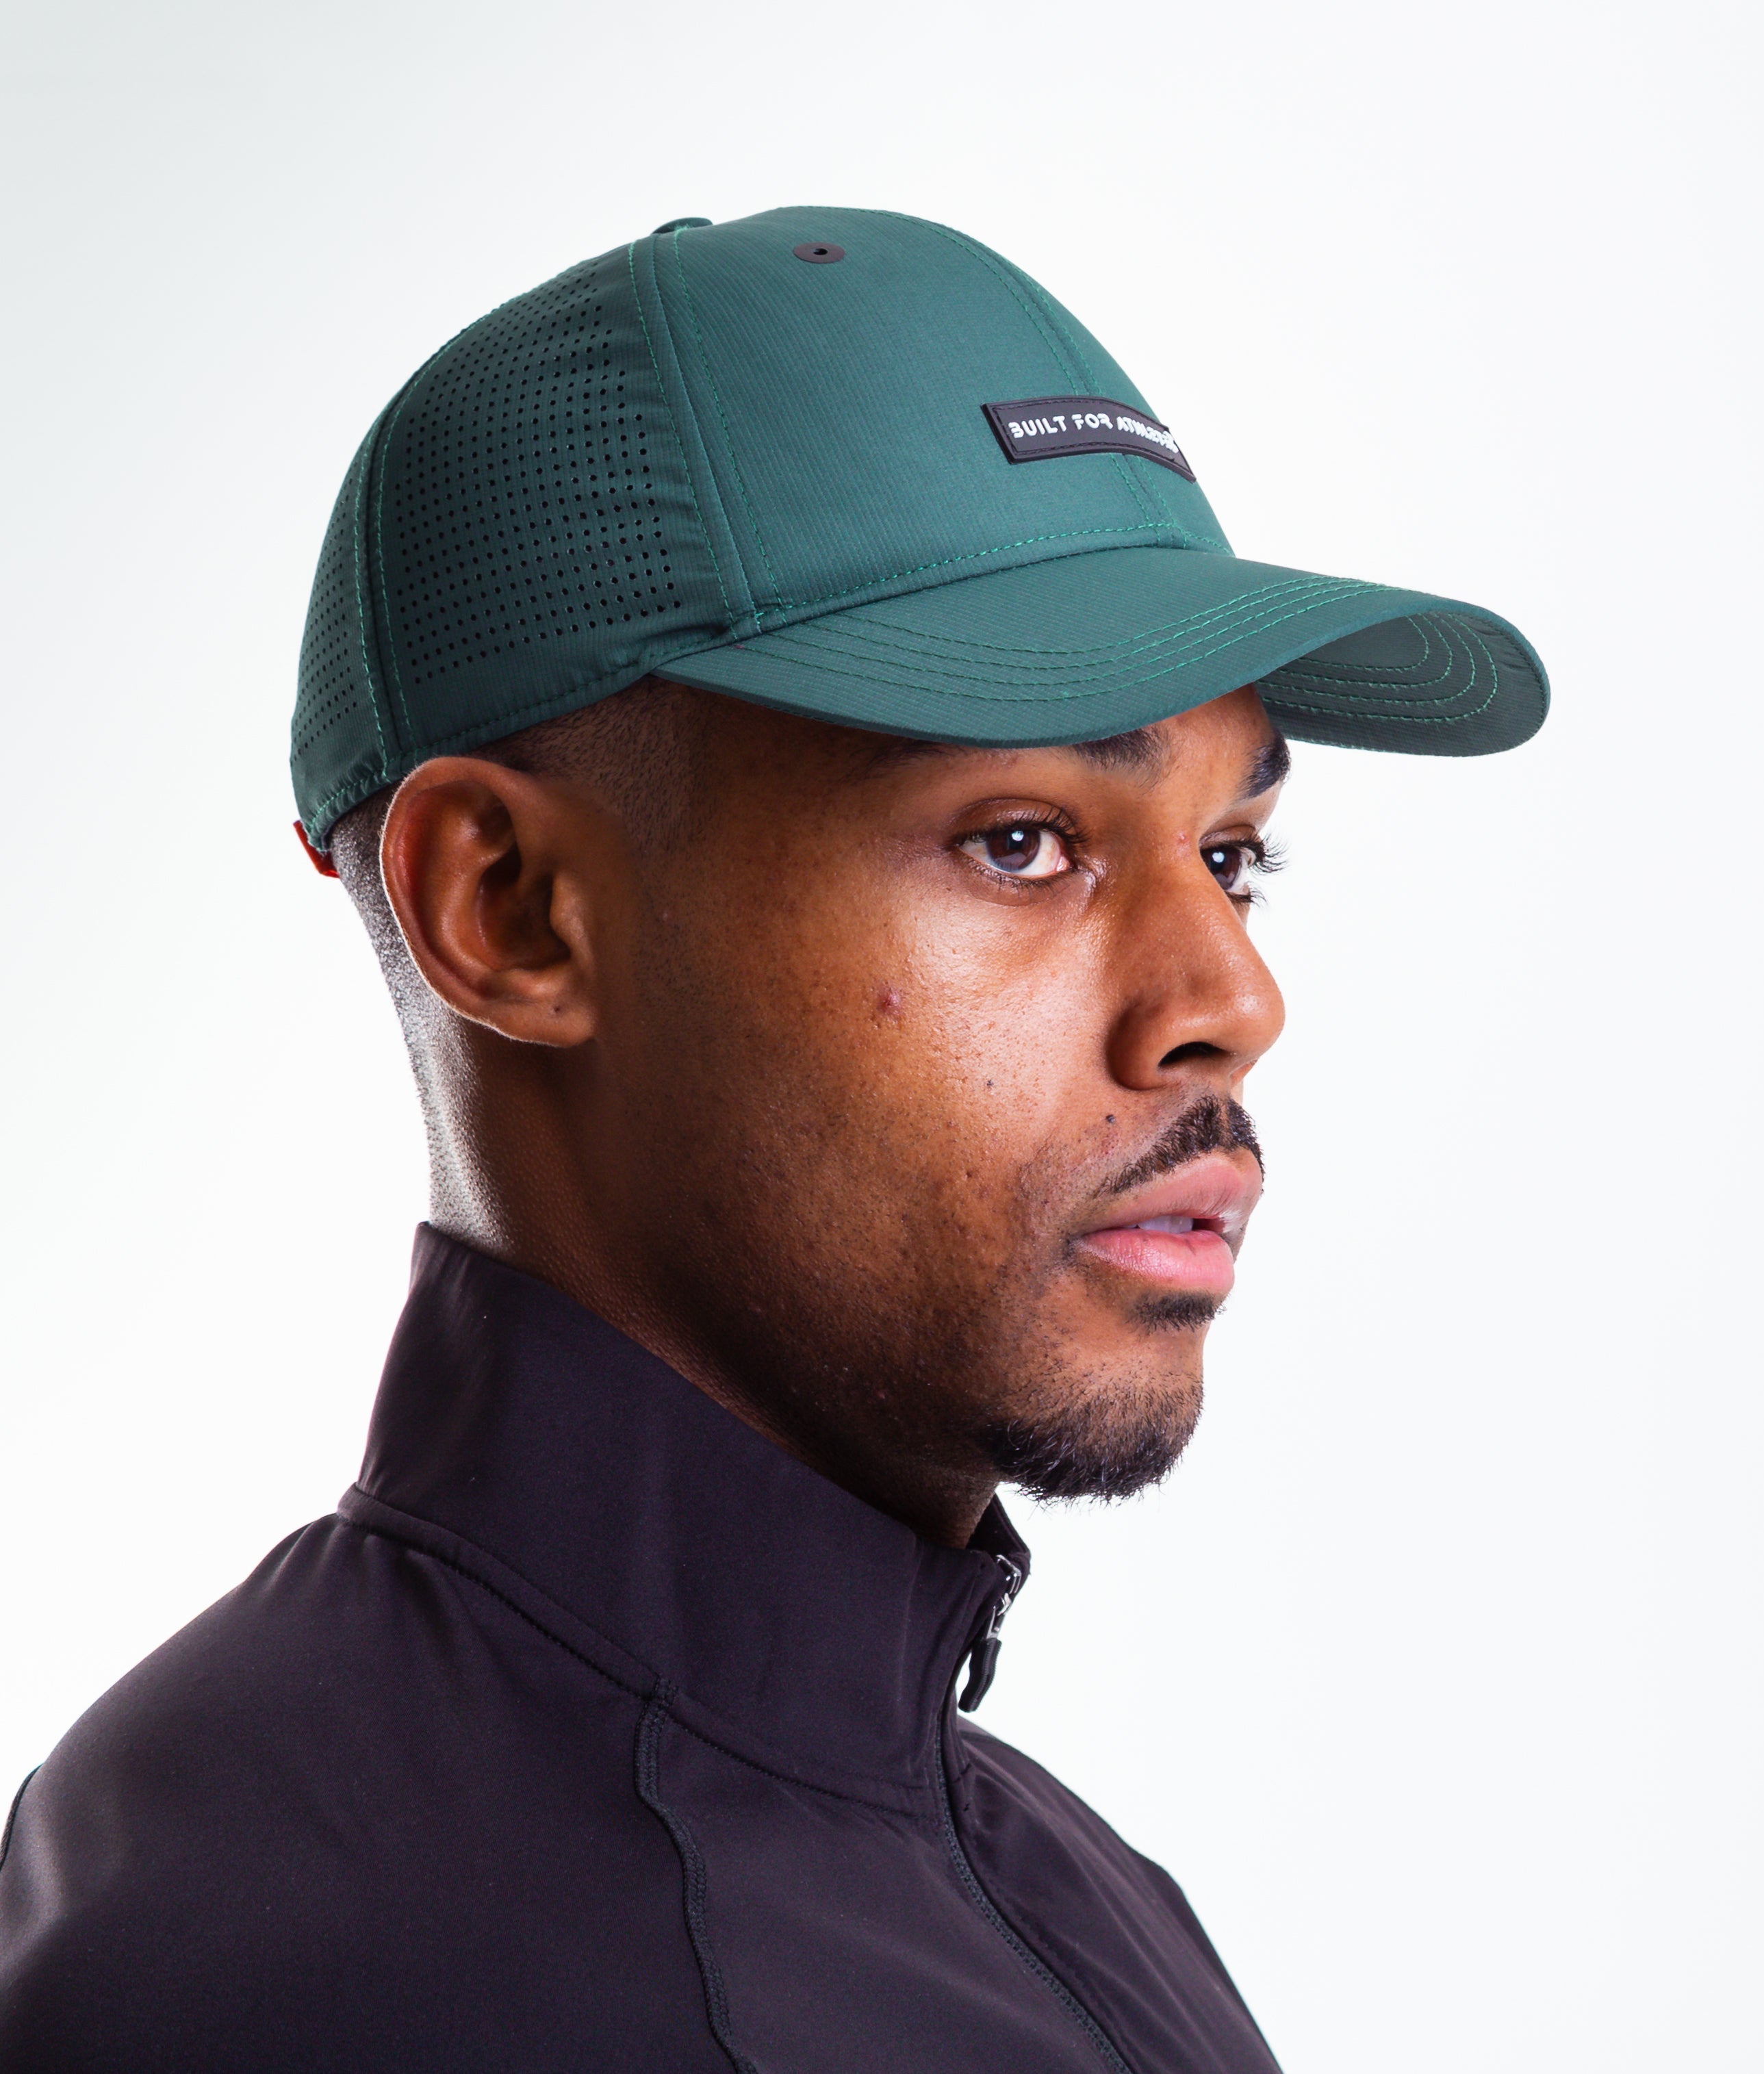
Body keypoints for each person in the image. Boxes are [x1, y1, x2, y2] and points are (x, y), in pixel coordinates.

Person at [0, 207, 1546, 2070]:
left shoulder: (1033, 1877)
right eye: (1023, 842)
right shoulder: (405, 1973)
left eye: (1233, 856)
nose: (1232, 997)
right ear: (510, 910)